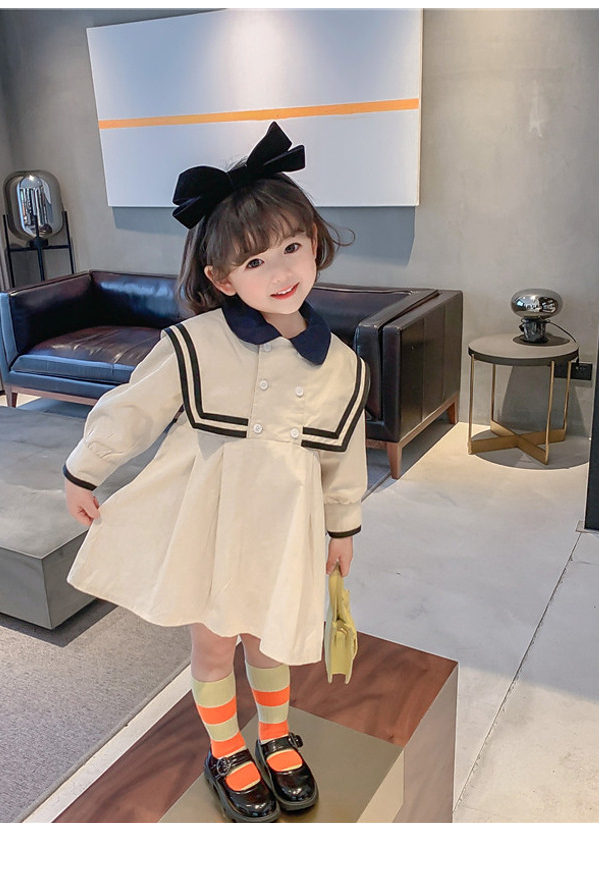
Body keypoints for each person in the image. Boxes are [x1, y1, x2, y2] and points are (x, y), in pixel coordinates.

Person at [62, 122, 369, 823]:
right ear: (222, 278)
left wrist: (343, 526)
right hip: (209, 519)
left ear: (315, 242)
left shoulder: (342, 365)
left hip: (285, 526)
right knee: (213, 638)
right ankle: (227, 747)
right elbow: (133, 410)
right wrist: (85, 470)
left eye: (292, 247)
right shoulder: (194, 345)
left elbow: (341, 456)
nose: (282, 271)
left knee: (271, 631)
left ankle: (274, 735)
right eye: (256, 261)